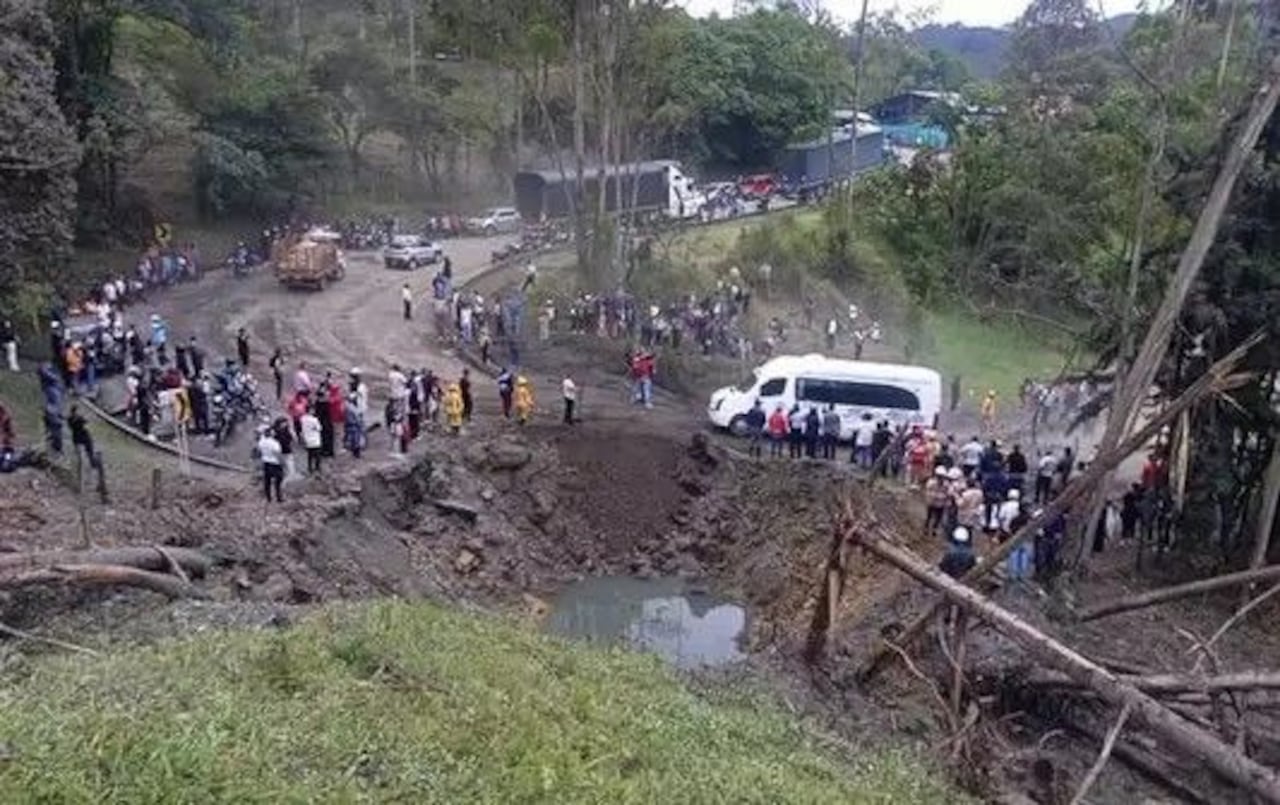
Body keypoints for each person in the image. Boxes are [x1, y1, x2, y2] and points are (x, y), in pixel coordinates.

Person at [67, 404, 101, 472]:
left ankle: (82, 465)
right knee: (89, 450)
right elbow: (86, 421)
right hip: (84, 436)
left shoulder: (69, 419)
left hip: (75, 437)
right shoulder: (79, 418)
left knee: (80, 454)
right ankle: (93, 463)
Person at [257, 427, 284, 502]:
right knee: (278, 481)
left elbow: (259, 452)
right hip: (275, 463)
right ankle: (279, 497)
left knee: (267, 481)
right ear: (271, 434)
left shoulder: (261, 442)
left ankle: (268, 497)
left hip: (266, 462)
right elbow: (277, 453)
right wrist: (282, 462)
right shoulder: (274, 443)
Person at [924, 467, 949, 536]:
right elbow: (928, 492)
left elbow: (947, 493)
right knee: (929, 516)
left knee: (938, 517)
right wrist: (934, 496)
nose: (941, 478)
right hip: (932, 502)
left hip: (941, 503)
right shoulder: (931, 482)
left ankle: (934, 528)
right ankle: (926, 528)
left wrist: (945, 498)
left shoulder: (946, 484)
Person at [301, 406, 322, 474]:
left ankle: (310, 467)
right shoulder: (314, 420)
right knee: (317, 455)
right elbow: (319, 428)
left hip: (307, 438)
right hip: (315, 438)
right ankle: (317, 467)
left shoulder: (303, 418)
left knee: (309, 455)